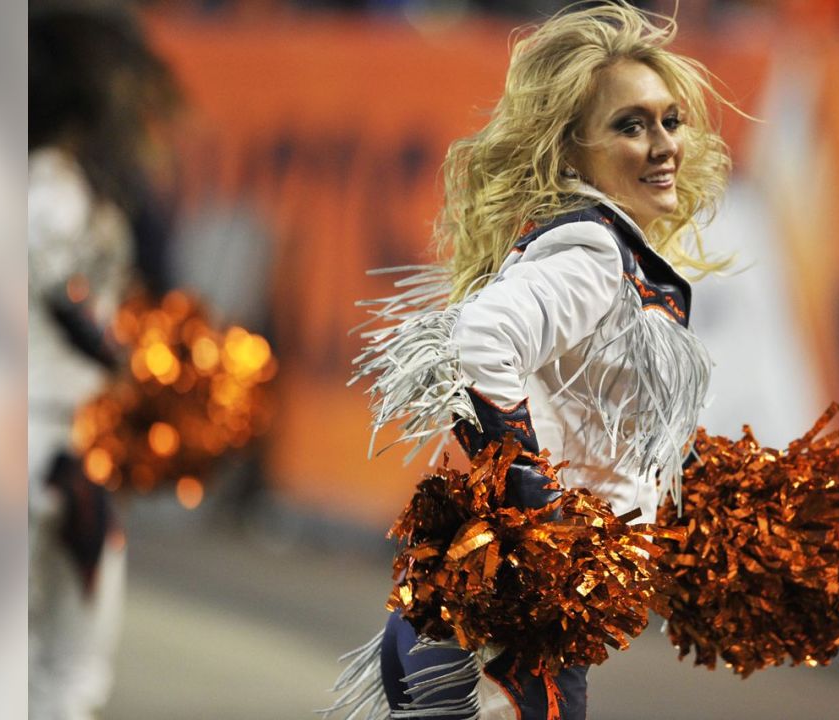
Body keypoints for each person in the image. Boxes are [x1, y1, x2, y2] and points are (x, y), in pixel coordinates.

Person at [329, 3, 738, 719]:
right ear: (571, 147)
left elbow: (591, 425)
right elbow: (475, 343)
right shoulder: (590, 252)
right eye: (631, 124)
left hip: (501, 620)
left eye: (670, 119)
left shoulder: (610, 250)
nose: (664, 143)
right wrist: (529, 495)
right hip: (505, 637)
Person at [28, 5, 178, 718]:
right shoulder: (45, 192)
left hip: (67, 437)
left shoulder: (84, 190)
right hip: (32, 436)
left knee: (68, 664)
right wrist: (136, 364)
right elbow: (70, 309)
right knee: (64, 664)